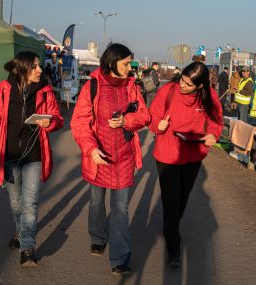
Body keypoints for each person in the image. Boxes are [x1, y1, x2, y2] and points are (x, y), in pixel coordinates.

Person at [70, 43, 150, 275]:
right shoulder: (93, 85)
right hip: (98, 156)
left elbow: (144, 115)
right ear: (112, 62)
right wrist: (90, 148)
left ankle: (120, 258)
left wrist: (126, 121)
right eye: (125, 63)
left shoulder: (132, 86)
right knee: (96, 203)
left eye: (130, 63)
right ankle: (97, 236)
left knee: (120, 209)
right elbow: (79, 121)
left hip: (124, 157)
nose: (129, 68)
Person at [0, 51, 64, 266]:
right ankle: (19, 232)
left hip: (34, 155)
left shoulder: (45, 90)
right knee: (16, 202)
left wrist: (50, 122)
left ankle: (27, 247)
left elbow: (58, 118)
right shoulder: (3, 89)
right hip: (8, 156)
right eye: (35, 66)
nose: (40, 70)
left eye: (39, 66)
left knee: (30, 203)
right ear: (22, 68)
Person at [148, 62, 223, 267]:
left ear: (200, 86)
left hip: (193, 154)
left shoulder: (209, 95)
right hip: (167, 154)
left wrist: (212, 135)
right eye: (182, 79)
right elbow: (152, 116)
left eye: (189, 84)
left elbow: (216, 121)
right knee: (171, 201)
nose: (183, 85)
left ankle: (170, 227)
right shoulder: (168, 91)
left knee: (182, 198)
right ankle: (173, 247)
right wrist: (158, 124)